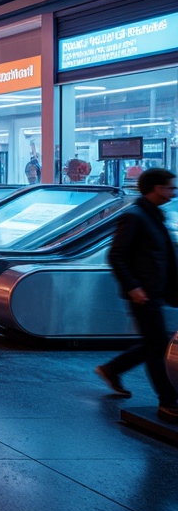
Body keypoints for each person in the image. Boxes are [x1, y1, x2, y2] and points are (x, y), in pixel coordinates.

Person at [95, 168, 178, 421]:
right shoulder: (135, 216)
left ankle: (112, 369)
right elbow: (116, 255)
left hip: (155, 289)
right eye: (170, 187)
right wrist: (133, 287)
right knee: (157, 346)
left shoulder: (153, 214)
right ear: (156, 188)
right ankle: (168, 401)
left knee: (156, 341)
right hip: (142, 293)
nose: (174, 192)